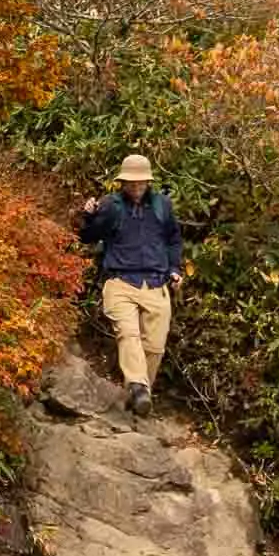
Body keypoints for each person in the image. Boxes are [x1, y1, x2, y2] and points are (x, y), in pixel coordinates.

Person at [76, 154, 181, 414]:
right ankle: (138, 387)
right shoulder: (111, 206)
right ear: (122, 182)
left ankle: (137, 395)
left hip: (156, 283)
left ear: (148, 181)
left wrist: (174, 269)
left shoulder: (162, 206)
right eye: (131, 183)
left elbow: (173, 240)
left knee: (155, 347)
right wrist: (87, 216)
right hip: (120, 281)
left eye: (140, 182)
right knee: (128, 334)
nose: (135, 187)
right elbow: (88, 236)